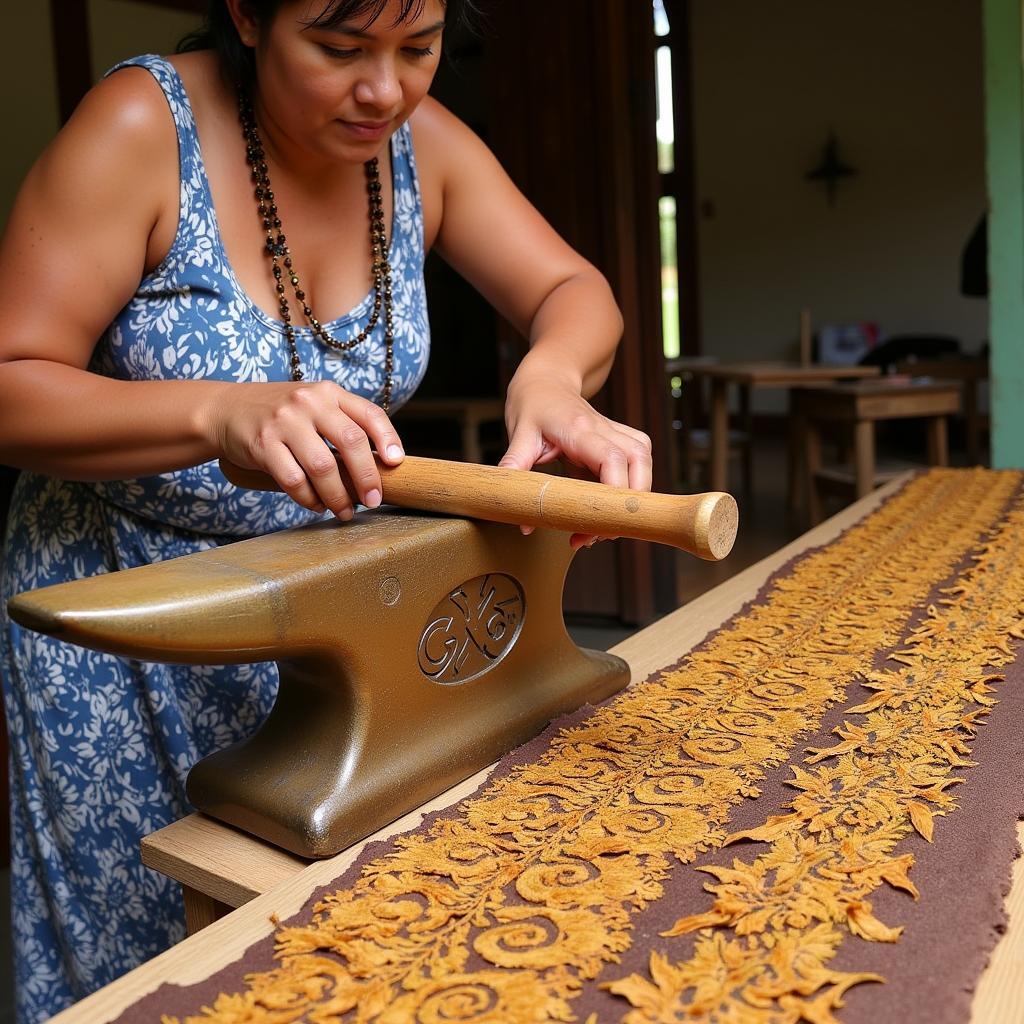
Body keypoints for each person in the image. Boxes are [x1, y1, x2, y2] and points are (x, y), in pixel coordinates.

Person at [0, 0, 653, 1018]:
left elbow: (572, 286)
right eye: (341, 49)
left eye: (419, 48)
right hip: (125, 621)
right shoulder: (139, 128)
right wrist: (219, 411)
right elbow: (12, 384)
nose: (385, 88)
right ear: (250, 16)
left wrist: (557, 378)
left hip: (322, 606)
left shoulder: (419, 149)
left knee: (329, 944)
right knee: (147, 960)